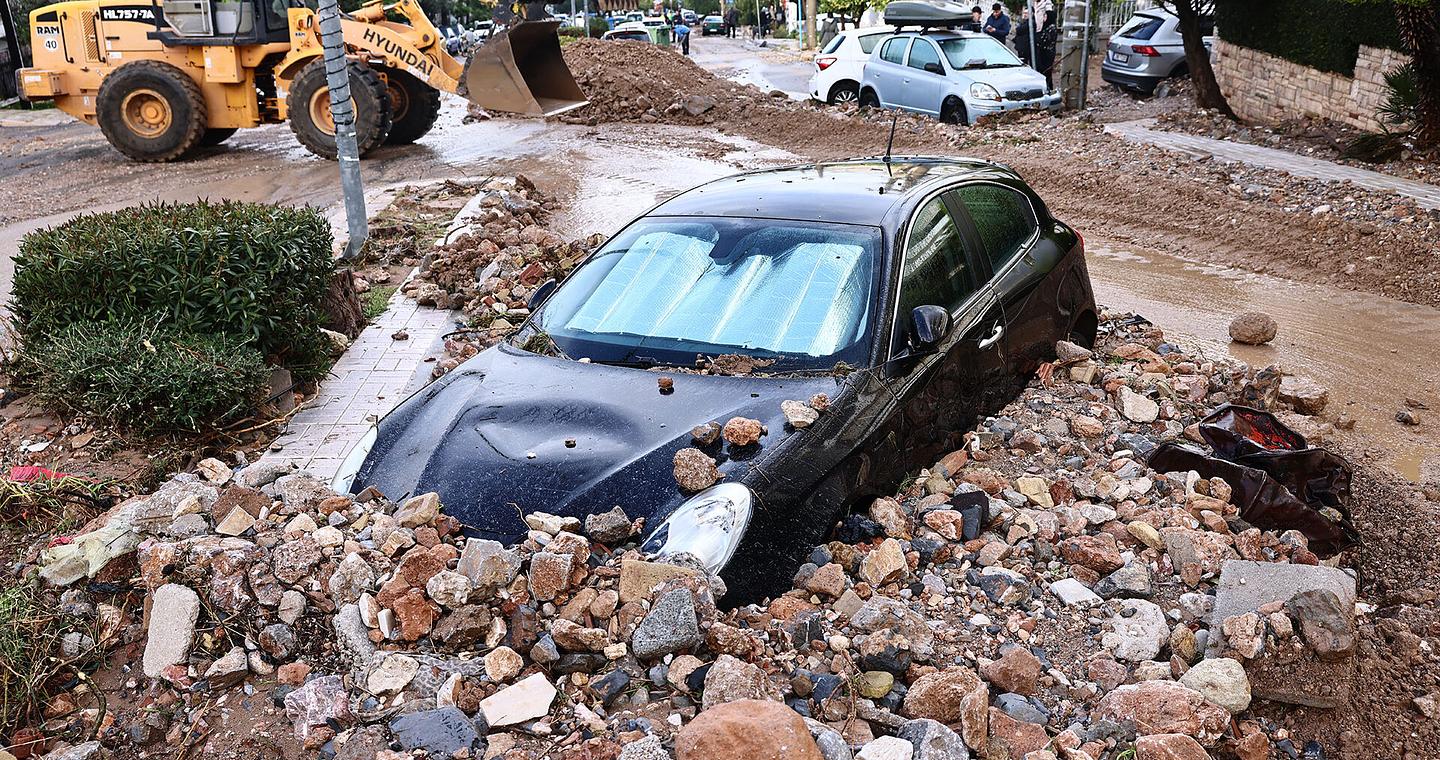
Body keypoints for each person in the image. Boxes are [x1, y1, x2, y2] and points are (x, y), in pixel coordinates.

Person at [1035, 9, 1058, 89]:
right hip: (1043, 52)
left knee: (1046, 72)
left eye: (1045, 16)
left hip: (1048, 54)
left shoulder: (1052, 28)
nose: (1044, 18)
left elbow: (1045, 40)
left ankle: (1048, 88)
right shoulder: (1046, 26)